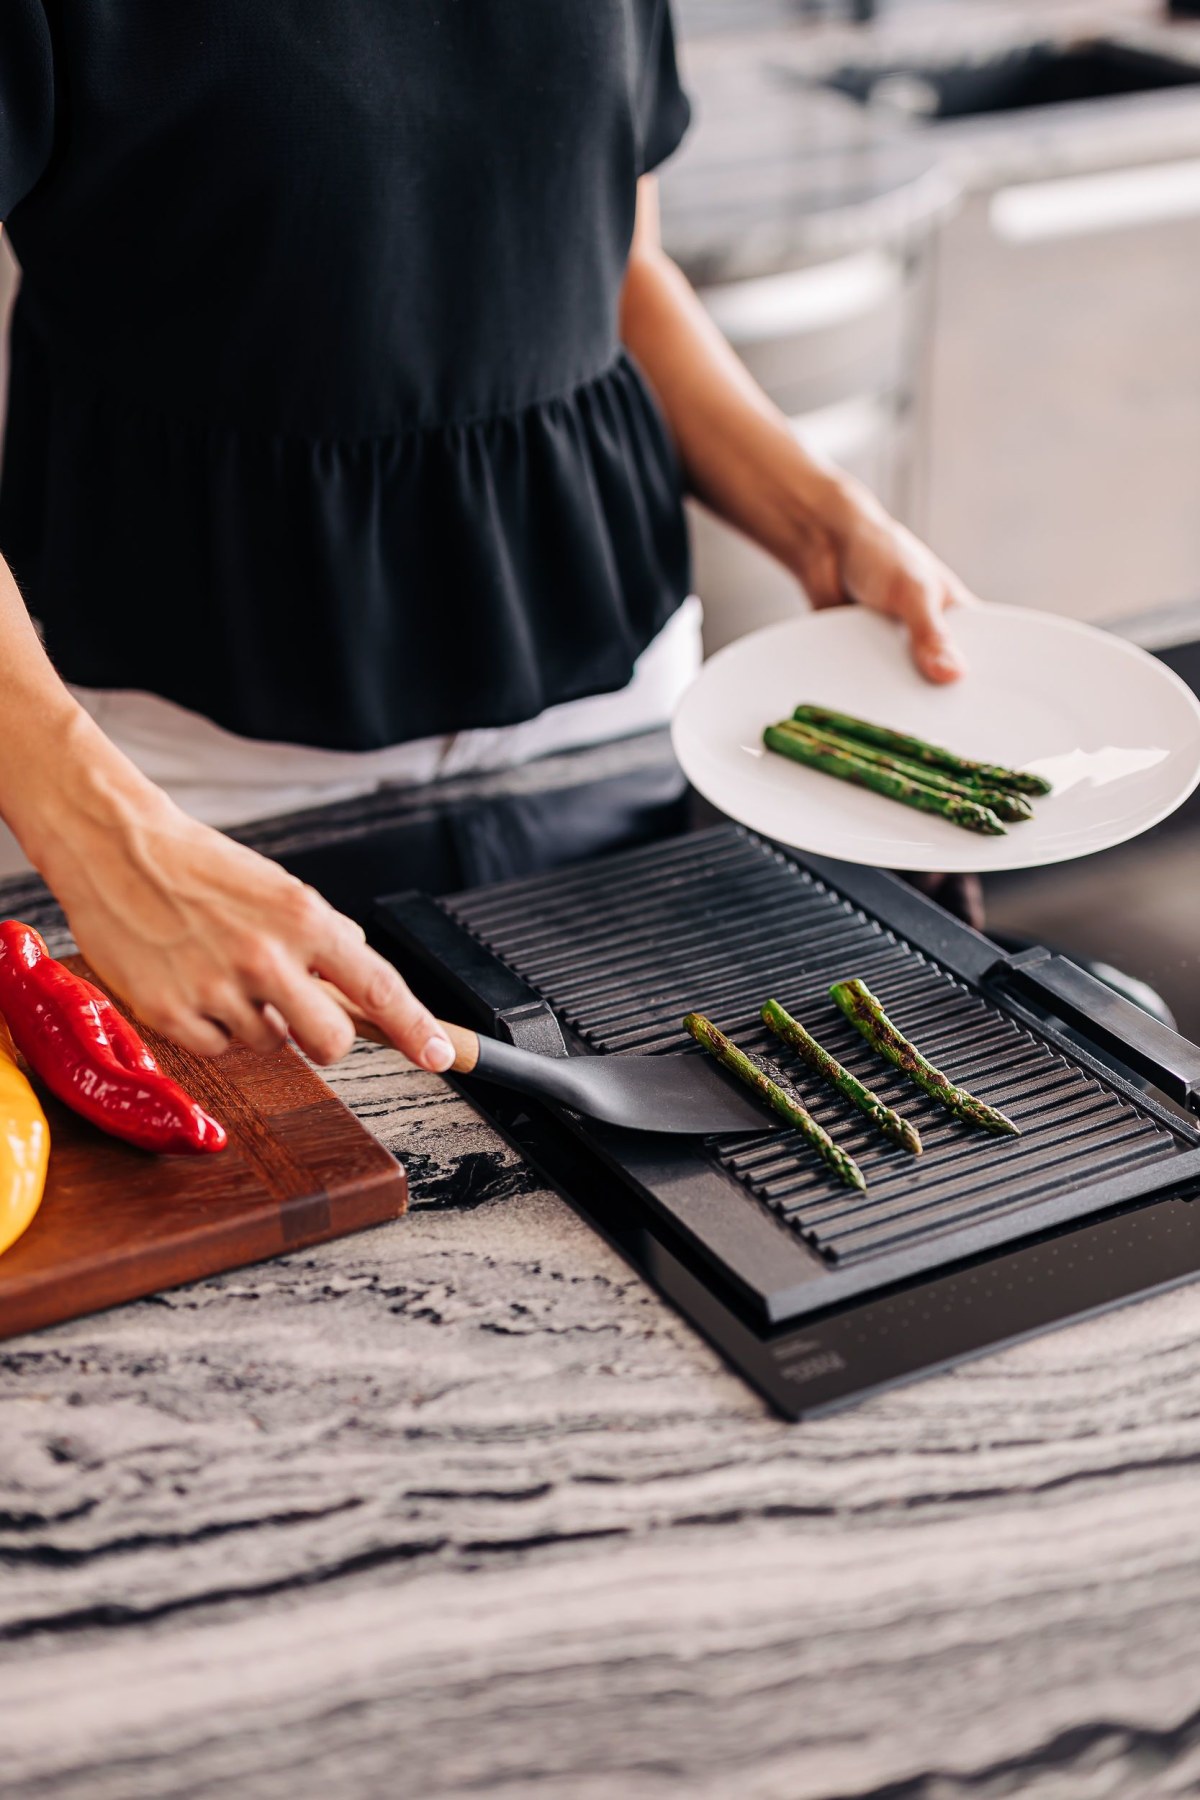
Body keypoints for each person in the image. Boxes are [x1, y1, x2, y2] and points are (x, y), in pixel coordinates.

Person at [0, 1, 974, 1070]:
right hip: (198, 765)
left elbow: (613, 264)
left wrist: (821, 517)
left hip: (609, 702)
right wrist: (105, 838)